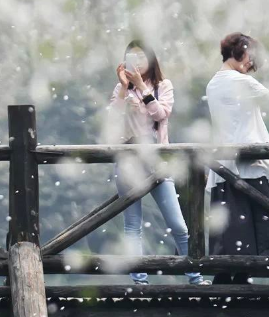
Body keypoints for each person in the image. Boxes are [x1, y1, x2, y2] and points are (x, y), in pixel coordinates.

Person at [109, 40, 206, 285]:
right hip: (128, 161)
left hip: (158, 163)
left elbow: (161, 114)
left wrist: (143, 89)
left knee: (178, 224)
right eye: (132, 57)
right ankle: (139, 280)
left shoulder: (164, 86)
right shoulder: (122, 89)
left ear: (151, 59)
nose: (137, 62)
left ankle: (194, 275)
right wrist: (123, 88)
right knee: (132, 226)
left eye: (141, 57)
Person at [206, 32, 269, 284]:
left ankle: (227, 275)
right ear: (238, 52)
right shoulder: (243, 83)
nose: (250, 64)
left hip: (224, 165)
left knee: (231, 225)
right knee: (257, 221)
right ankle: (243, 275)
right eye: (249, 57)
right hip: (251, 163)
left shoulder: (212, 84)